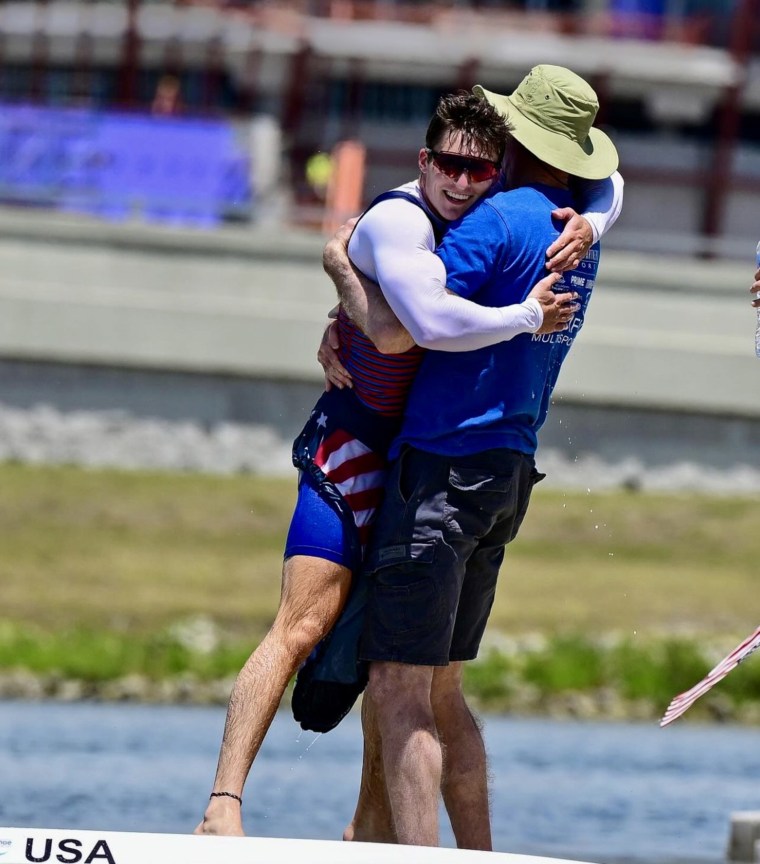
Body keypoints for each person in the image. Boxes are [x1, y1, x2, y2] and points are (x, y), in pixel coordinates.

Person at [195, 85, 622, 842]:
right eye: (450, 165)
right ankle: (221, 809)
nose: (462, 180)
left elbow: (609, 186)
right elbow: (402, 338)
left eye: (479, 168)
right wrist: (342, 274)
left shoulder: (539, 220)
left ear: (508, 161)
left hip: (427, 467)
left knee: (400, 673)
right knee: (306, 630)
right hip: (355, 448)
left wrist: (593, 219)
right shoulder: (402, 219)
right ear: (424, 159)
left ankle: (372, 840)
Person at [346, 64, 620, 848]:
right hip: (510, 471)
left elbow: (409, 322)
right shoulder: (578, 229)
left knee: (400, 689)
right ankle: (479, 856)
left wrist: (342, 280)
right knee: (446, 690)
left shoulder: (496, 222)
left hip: (442, 466)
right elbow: (611, 193)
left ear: (514, 138)